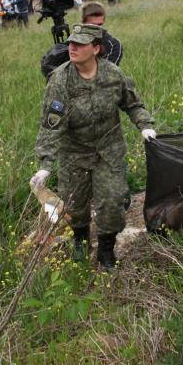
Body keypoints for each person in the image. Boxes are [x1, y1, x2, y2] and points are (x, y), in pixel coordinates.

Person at [30, 23, 156, 269]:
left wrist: (144, 125)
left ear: (96, 48)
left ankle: (106, 250)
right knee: (75, 206)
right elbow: (51, 125)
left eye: (79, 44)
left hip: (108, 152)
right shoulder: (60, 81)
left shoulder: (113, 75)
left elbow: (133, 104)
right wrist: (45, 165)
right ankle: (80, 239)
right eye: (71, 43)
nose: (72, 47)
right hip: (74, 154)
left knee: (112, 203)